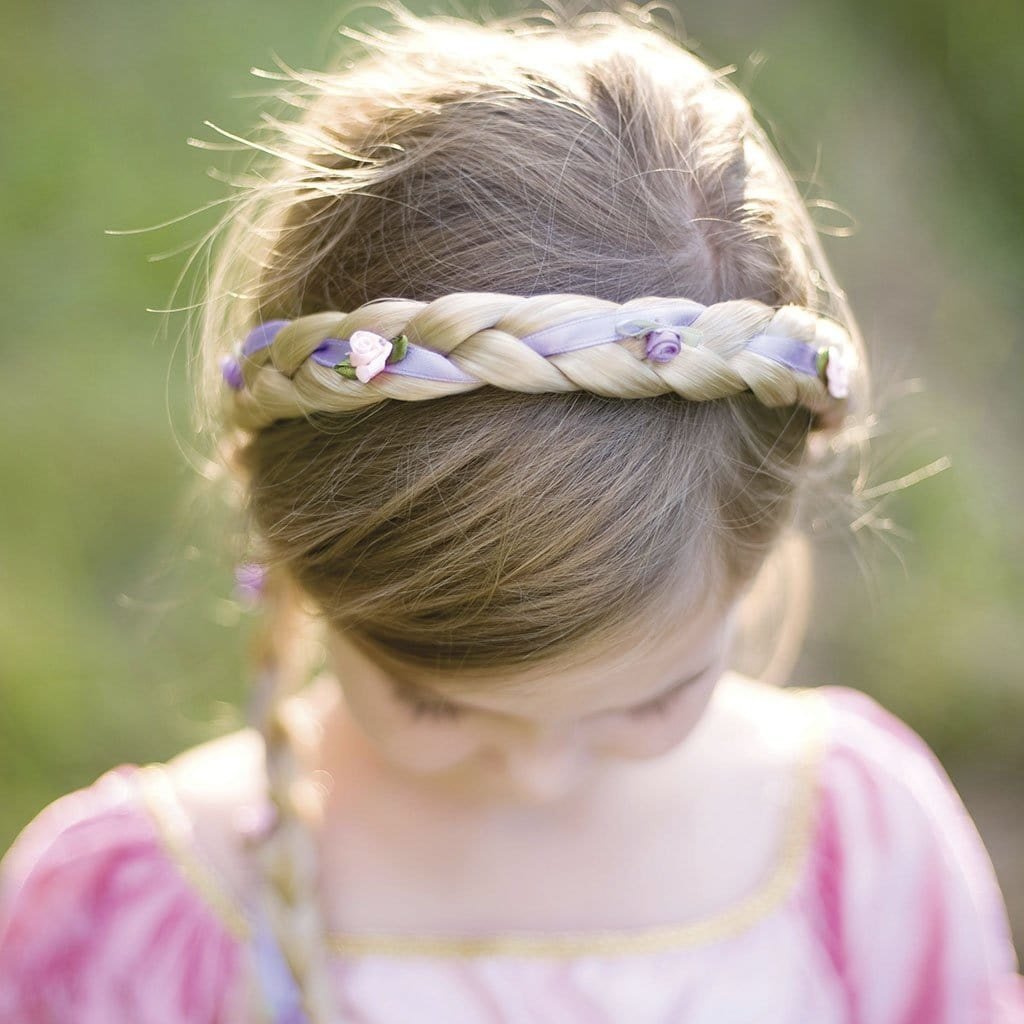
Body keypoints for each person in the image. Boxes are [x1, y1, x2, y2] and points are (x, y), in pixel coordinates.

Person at [1, 5, 1021, 1022]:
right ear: (290, 545)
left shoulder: (862, 857)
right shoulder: (133, 928)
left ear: (766, 546)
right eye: (436, 704)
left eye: (647, 701)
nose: (537, 774)